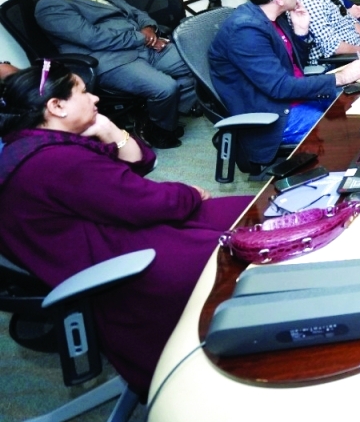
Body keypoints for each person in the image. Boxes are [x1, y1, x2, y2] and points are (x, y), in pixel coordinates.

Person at [0, 61, 252, 395]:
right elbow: (147, 201)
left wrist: (109, 130)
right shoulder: (55, 160)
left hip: (106, 228)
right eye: (83, 92)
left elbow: (140, 165)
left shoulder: (34, 143)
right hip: (108, 259)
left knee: (248, 209)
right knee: (239, 251)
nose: (95, 99)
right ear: (57, 106)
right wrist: (190, 192)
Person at [209, 0, 360, 173]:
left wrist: (300, 33)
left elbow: (293, 65)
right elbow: (279, 87)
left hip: (296, 94)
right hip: (275, 112)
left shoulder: (275, 15)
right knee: (346, 132)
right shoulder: (245, 31)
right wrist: (340, 77)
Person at [35, 0, 195, 149]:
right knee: (165, 88)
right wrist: (142, 37)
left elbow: (136, 13)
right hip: (111, 60)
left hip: (144, 46)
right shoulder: (51, 8)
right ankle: (159, 130)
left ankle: (156, 115)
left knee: (194, 65)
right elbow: (94, 38)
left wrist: (149, 28)